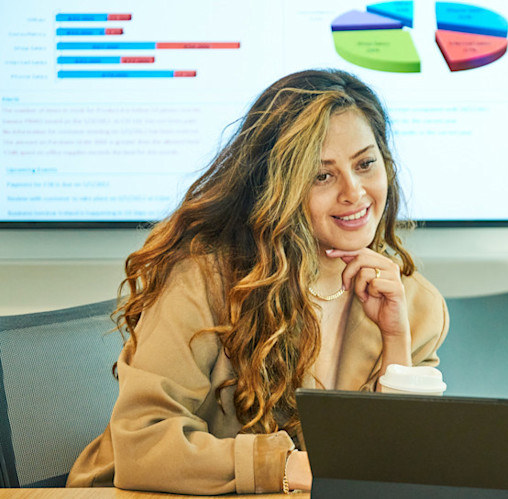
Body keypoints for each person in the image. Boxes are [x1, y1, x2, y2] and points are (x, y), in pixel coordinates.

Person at [66, 69, 449, 494]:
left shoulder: (413, 302)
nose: (354, 192)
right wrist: (284, 466)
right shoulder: (204, 280)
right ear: (277, 187)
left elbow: (399, 470)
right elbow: (143, 445)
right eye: (322, 175)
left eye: (365, 164)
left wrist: (395, 341)